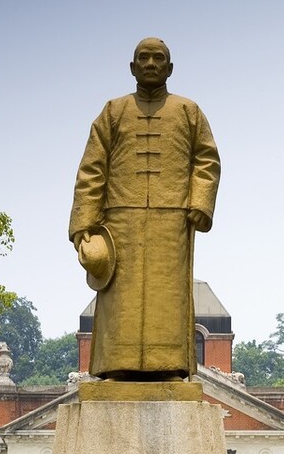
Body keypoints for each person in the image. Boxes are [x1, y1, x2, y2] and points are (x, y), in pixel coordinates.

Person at [70, 38, 220, 381]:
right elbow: (91, 169)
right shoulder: (113, 112)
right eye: (144, 58)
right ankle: (115, 367)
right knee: (120, 302)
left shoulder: (188, 111)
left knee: (168, 301)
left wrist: (199, 201)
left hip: (172, 222)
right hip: (119, 223)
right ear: (132, 67)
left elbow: (206, 160)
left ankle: (169, 366)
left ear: (169, 68)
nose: (151, 63)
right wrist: (84, 226)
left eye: (158, 58)